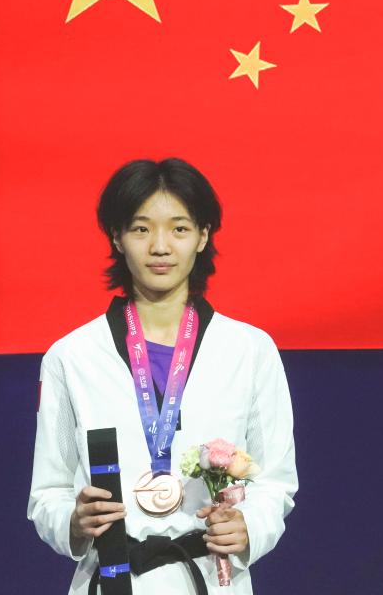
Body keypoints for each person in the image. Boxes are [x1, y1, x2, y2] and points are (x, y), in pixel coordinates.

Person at [28, 158, 298, 594]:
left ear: (203, 236)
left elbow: (275, 481)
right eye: (141, 229)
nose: (160, 246)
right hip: (113, 578)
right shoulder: (73, 356)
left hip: (212, 578)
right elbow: (48, 492)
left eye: (179, 228)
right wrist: (72, 522)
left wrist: (249, 526)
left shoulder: (250, 350)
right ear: (116, 236)